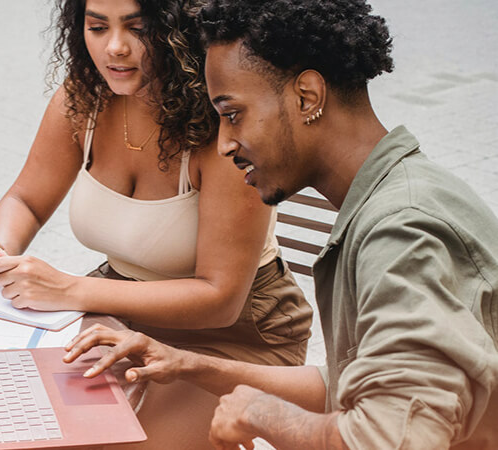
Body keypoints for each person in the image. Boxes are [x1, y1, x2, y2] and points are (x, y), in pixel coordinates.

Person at [64, 0, 498, 448]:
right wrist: (189, 364)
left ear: (307, 97)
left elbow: (391, 439)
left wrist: (264, 414)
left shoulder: (401, 234)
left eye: (233, 114)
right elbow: (365, 387)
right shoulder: (389, 198)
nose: (226, 144)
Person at [0, 0, 312, 446]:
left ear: (179, 31)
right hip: (116, 312)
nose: (114, 48)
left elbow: (220, 298)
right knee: (2, 411)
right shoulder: (82, 100)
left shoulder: (223, 126)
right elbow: (25, 200)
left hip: (238, 334)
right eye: (97, 27)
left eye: (137, 28)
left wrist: (70, 289)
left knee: (121, 441)